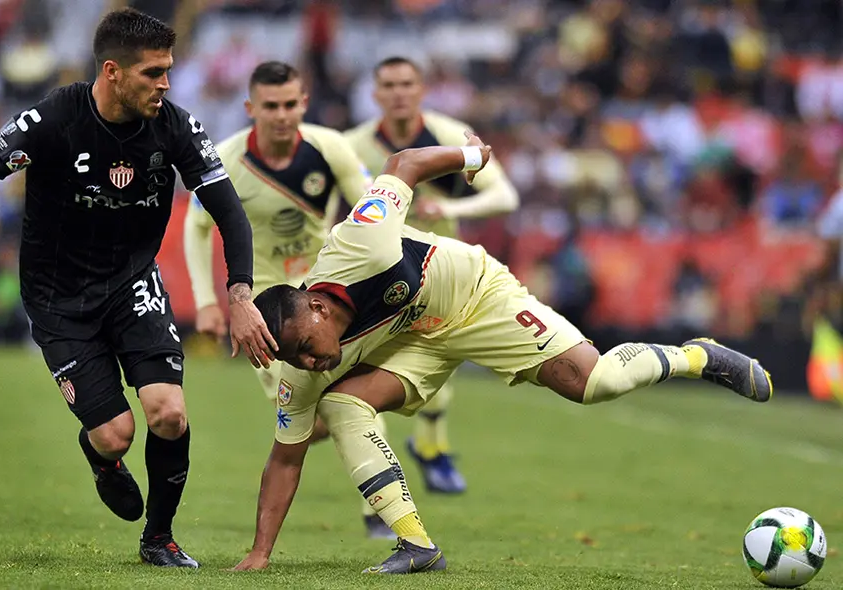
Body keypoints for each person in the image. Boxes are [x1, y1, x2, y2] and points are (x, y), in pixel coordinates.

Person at [233, 134, 772, 574]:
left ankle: (697, 357)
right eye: (295, 360)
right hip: (417, 337)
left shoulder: (361, 243)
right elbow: (285, 459)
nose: (309, 364)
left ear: (320, 312)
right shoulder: (299, 368)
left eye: (305, 349)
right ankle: (417, 547)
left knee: (596, 383)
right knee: (342, 404)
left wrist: (473, 157)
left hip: (477, 295)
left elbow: (405, 162)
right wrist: (259, 555)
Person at [0, 9, 276, 568]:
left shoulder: (174, 124)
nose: (166, 84)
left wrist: (241, 294)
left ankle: (160, 537)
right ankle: (101, 457)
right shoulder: (52, 119)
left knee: (169, 413)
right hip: (58, 300)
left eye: (168, 70)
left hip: (132, 283)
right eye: (153, 73)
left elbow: (230, 213)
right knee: (115, 435)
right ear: (112, 72)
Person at [183, 61, 393, 538]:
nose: (281, 115)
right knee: (310, 415)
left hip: (325, 295)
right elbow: (195, 229)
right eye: (270, 106)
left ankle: (381, 509)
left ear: (303, 102)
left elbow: (371, 210)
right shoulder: (226, 159)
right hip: (265, 309)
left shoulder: (329, 147)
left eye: (290, 104)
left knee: (351, 396)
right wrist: (207, 302)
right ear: (250, 108)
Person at [345, 56, 519, 494]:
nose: (399, 92)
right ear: (375, 94)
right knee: (373, 369)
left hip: (440, 272)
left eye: (407, 83)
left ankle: (428, 447)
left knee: (436, 370)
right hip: (377, 274)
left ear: (421, 89)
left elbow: (505, 196)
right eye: (389, 84)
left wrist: (452, 207)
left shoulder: (448, 135)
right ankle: (397, 474)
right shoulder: (352, 145)